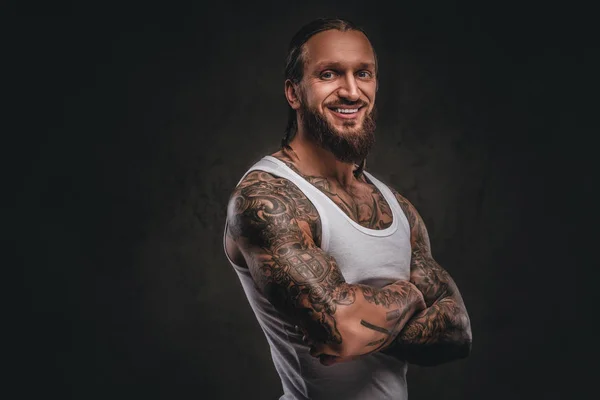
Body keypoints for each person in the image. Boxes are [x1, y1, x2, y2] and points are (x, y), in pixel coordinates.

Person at [223, 17, 472, 400]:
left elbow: (457, 331)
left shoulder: (397, 208)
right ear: (294, 93)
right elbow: (338, 330)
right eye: (329, 74)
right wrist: (409, 295)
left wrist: (361, 323)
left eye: (364, 74)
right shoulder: (266, 198)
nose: (352, 91)